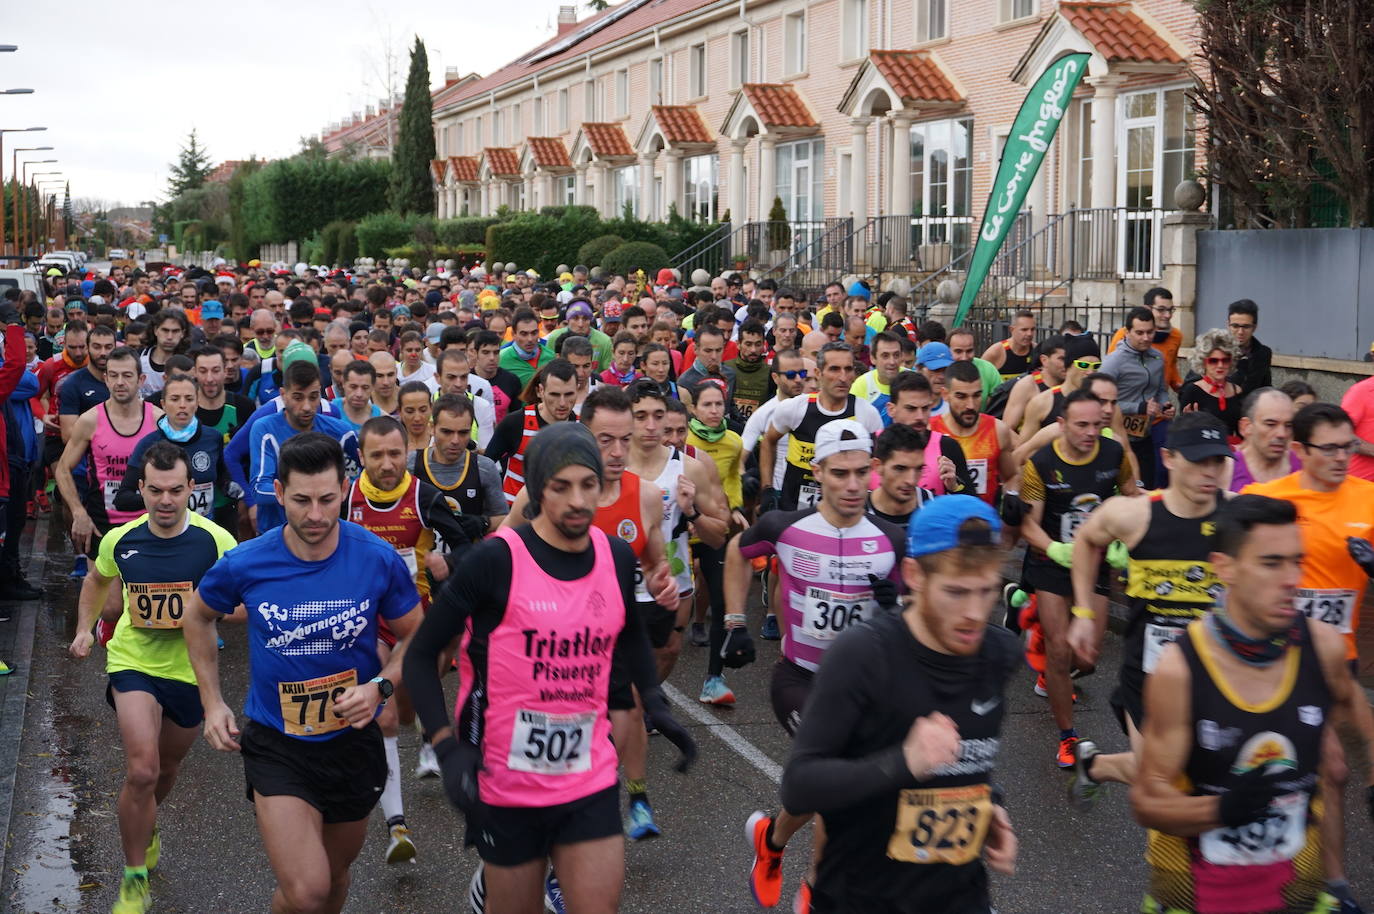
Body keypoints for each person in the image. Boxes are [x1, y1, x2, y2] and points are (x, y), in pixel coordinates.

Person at [403, 422, 695, 914]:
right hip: (506, 782)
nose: (579, 500)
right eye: (562, 487)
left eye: (589, 484)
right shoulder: (495, 562)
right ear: (538, 491)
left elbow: (627, 634)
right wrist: (446, 748)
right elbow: (418, 655)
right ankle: (488, 887)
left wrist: (656, 701)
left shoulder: (617, 558)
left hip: (588, 775)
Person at [184, 432, 422, 914]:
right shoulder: (248, 562)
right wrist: (212, 701)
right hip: (279, 743)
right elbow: (197, 615)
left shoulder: (375, 557)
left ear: (344, 488)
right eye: (302, 500)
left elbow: (417, 635)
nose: (316, 515)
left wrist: (381, 687)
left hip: (352, 742)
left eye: (328, 500)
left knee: (332, 879)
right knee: (309, 887)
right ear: (277, 491)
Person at [1132, 494, 1373, 914]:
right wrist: (1221, 809)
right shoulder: (1181, 670)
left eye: (1297, 561)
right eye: (1271, 563)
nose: (1291, 579)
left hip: (1295, 895)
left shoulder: (1323, 648)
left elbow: (1357, 715)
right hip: (1195, 898)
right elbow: (1147, 801)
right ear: (1225, 567)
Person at [778, 495, 1019, 913]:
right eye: (956, 592)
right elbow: (800, 785)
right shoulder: (863, 656)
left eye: (986, 591)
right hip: (862, 898)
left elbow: (973, 762)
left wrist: (991, 805)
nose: (975, 613)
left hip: (961, 897)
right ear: (914, 575)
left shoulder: (999, 654)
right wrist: (902, 762)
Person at [736, 418, 906, 911]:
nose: (852, 485)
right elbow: (735, 553)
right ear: (819, 472)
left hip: (863, 687)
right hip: (801, 679)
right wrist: (732, 621)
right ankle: (816, 889)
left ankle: (772, 840)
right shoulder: (785, 527)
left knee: (828, 785)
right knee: (839, 779)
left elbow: (916, 617)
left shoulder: (890, 538)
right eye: (839, 474)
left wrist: (896, 607)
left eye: (860, 473)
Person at [68, 442, 239, 914]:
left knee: (165, 770)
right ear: (140, 489)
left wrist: (208, 612)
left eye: (176, 491)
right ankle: (134, 875)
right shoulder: (120, 540)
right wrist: (85, 629)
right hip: (134, 661)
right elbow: (97, 580)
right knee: (141, 769)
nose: (166, 501)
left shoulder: (216, 541)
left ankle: (148, 822)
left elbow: (248, 598)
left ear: (191, 490)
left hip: (189, 670)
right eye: (156, 491)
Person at [1062, 412, 1231, 809]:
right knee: (1162, 775)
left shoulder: (1239, 516)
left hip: (1216, 673)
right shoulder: (1134, 514)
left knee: (1202, 770)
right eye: (1198, 461)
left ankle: (1096, 764)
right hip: (1150, 673)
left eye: (1217, 461)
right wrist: (1084, 613)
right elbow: (1087, 540)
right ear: (1169, 458)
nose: (1209, 472)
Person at [1242, 402, 1374, 905]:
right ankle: (1321, 884)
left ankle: (1327, 882)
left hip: (1338, 661)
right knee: (1328, 769)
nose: (1343, 457)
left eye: (1350, 447)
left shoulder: (1368, 498)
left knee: (1324, 774)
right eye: (1331, 448)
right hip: (1278, 657)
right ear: (1301, 450)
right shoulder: (1269, 498)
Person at [347, 414, 483, 864]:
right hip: (366, 620)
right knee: (384, 718)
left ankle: (420, 725)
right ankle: (397, 827)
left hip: (413, 620)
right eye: (376, 455)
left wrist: (448, 560)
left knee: (403, 710)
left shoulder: (424, 495)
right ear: (361, 457)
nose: (386, 464)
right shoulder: (347, 498)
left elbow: (470, 545)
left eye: (394, 454)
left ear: (406, 453)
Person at [1019, 388, 1138, 767]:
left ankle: (1056, 675)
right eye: (1081, 425)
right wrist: (1054, 548)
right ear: (1061, 425)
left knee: (1087, 657)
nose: (1091, 432)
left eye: (1097, 425)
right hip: (1052, 560)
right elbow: (1029, 525)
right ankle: (1068, 736)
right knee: (1057, 648)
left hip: (1096, 559)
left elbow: (1131, 494)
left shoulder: (1114, 454)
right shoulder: (1040, 462)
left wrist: (1123, 537)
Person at [625, 379, 730, 684]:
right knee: (619, 654)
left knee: (669, 650)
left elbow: (718, 535)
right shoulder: (609, 464)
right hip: (620, 573)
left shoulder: (689, 468)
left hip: (672, 572)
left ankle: (642, 706)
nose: (651, 425)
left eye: (658, 416)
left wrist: (692, 513)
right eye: (641, 416)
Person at [55, 347, 161, 583]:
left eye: (127, 375)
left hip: (149, 522)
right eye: (113, 375)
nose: (119, 382)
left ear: (141, 379)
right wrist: (78, 511)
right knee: (109, 607)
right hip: (104, 523)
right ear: (105, 378)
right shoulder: (90, 420)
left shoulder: (157, 420)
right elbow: (62, 470)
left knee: (143, 600)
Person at [759, 342, 884, 512]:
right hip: (794, 509)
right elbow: (768, 441)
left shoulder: (867, 414)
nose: (843, 377)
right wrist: (767, 488)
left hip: (844, 513)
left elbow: (876, 465)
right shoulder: (794, 408)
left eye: (848, 369)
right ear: (818, 373)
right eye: (834, 369)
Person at [685, 380, 749, 704]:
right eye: (706, 405)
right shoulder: (682, 438)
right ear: (693, 409)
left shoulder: (733, 441)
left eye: (719, 405)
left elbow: (733, 478)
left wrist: (734, 508)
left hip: (714, 522)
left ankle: (714, 679)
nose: (713, 411)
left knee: (722, 598)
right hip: (682, 525)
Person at [245, 360, 361, 534]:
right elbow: (259, 489)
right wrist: (309, 494)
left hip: (326, 530)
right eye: (298, 397)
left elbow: (358, 482)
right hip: (276, 533)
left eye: (313, 397)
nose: (306, 406)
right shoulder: (265, 429)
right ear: (283, 395)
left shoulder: (342, 433)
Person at [113, 374, 232, 520]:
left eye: (189, 399)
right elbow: (122, 499)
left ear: (197, 402)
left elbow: (220, 475)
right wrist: (160, 499)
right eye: (175, 399)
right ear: (163, 404)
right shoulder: (148, 444)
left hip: (204, 528)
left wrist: (228, 486)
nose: (182, 405)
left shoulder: (213, 438)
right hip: (164, 531)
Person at [487, 359, 578, 505]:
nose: (562, 403)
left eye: (568, 394)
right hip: (516, 515)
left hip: (561, 514)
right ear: (540, 391)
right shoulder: (516, 423)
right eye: (554, 394)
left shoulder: (582, 427)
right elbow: (486, 465)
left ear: (577, 389)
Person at [1103, 306, 1174, 490]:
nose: (1146, 338)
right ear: (1127, 332)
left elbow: (1160, 390)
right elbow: (1100, 401)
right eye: (1139, 333)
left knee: (1147, 489)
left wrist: (1165, 405)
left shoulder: (1158, 357)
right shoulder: (1114, 361)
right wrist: (1139, 408)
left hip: (1144, 436)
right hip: (1116, 438)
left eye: (1150, 332)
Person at [931, 360, 1016, 507]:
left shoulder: (997, 429)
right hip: (944, 523)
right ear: (945, 394)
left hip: (984, 522)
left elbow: (1011, 477)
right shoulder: (930, 430)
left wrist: (1011, 499)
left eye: (976, 395)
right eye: (961, 397)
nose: (970, 405)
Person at [1108, 287, 1184, 393]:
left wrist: (1182, 388)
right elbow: (1111, 370)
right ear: (1147, 309)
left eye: (1170, 310)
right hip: (1130, 399)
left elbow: (1171, 366)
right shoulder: (1124, 334)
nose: (1168, 315)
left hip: (1159, 401)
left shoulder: (1176, 336)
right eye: (1161, 310)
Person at [1227, 388, 1300, 491]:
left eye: (1288, 425)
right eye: (1271, 424)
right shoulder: (1226, 470)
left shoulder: (1306, 467)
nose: (1282, 434)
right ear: (1246, 427)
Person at [867, 423, 936, 526]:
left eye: (918, 469)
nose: (911, 480)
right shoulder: (857, 514)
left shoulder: (935, 510)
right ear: (877, 466)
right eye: (900, 469)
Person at [1179, 329, 1243, 437]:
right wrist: (1189, 423)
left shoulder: (1237, 390)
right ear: (1204, 362)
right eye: (1213, 361)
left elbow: (1240, 431)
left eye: (1225, 360)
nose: (1220, 365)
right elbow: (1182, 431)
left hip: (1230, 450)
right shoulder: (1192, 390)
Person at [850, 331, 905, 424]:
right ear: (873, 358)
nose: (892, 362)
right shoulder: (862, 385)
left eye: (896, 355)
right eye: (885, 356)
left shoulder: (913, 380)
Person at [1225, 298, 1272, 397]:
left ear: (1254, 327)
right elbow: (1192, 384)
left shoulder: (1263, 353)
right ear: (1228, 325)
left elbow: (1265, 386)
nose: (1240, 332)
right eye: (1235, 326)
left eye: (1246, 327)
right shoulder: (1213, 349)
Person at [981, 309, 1037, 380]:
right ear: (1011, 329)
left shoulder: (1037, 350)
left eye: (1032, 329)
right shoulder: (996, 352)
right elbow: (978, 380)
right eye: (1024, 330)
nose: (1029, 334)